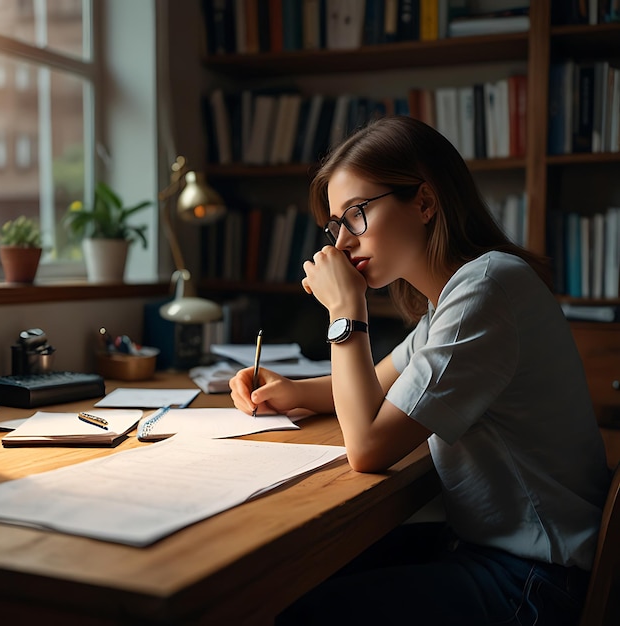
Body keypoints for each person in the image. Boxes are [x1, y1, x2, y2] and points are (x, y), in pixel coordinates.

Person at [229, 115, 610, 626]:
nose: (342, 242)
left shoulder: (487, 290)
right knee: (287, 581)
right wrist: (290, 390)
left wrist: (345, 311)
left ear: (425, 202)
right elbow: (382, 384)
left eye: (356, 214)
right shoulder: (453, 299)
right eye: (336, 224)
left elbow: (367, 447)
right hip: (492, 553)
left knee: (296, 608)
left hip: (537, 579)